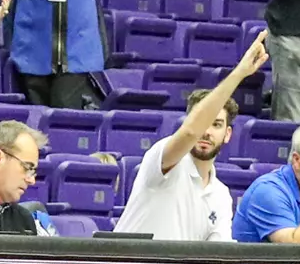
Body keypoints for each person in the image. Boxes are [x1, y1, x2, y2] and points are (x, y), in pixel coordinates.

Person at [114, 35, 269, 241]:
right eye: (202, 123)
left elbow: (217, 256)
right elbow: (190, 132)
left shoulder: (221, 195)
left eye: (216, 125)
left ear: (227, 134)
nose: (206, 132)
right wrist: (239, 73)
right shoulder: (164, 160)